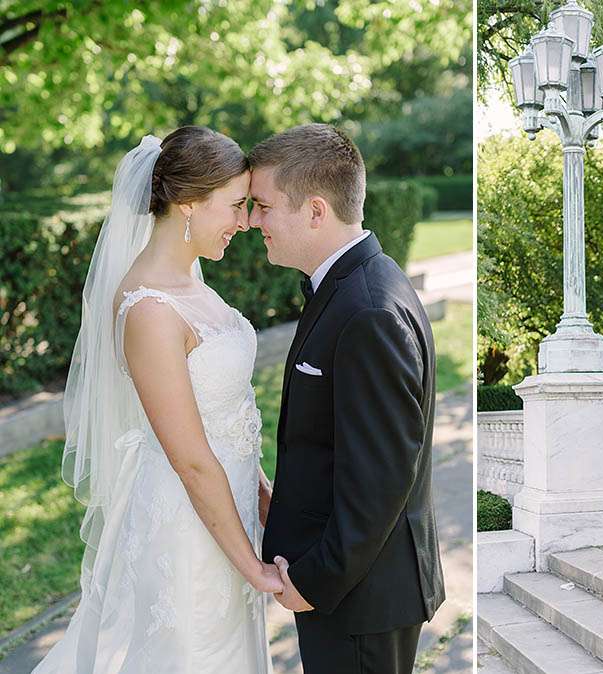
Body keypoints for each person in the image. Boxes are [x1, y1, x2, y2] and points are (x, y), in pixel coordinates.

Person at [34, 127, 279, 673]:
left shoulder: (193, 282)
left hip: (231, 516)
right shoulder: (149, 308)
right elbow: (190, 458)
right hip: (189, 531)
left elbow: (228, 417)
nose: (245, 222)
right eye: (236, 206)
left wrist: (266, 499)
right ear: (189, 203)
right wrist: (255, 569)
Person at [249, 123, 446, 674]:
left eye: (263, 206)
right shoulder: (348, 285)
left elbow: (381, 478)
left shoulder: (368, 311)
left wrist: (314, 582)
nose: (252, 221)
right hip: (353, 587)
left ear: (315, 210)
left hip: (359, 596)